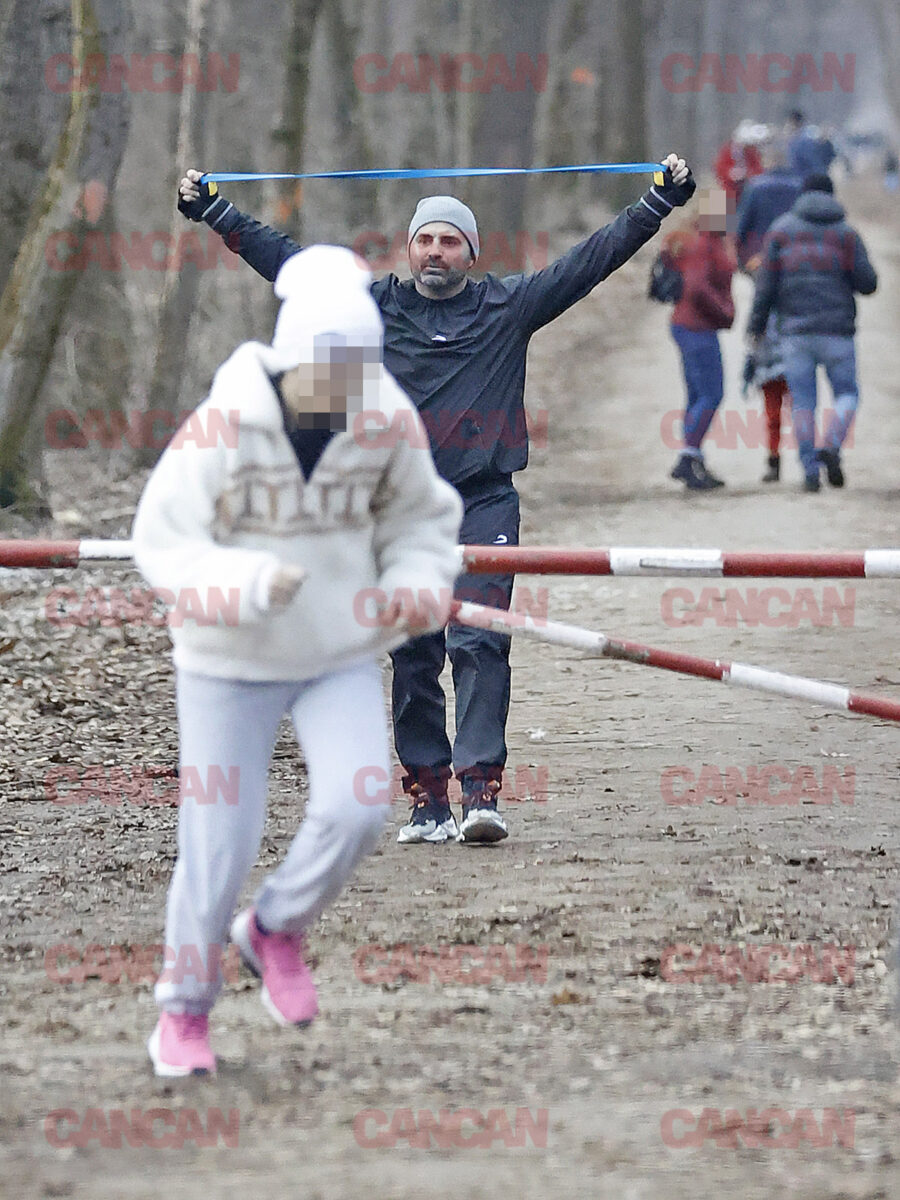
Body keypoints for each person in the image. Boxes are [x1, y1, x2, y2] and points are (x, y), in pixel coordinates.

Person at [176, 153, 696, 845]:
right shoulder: (373, 306)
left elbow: (589, 261)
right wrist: (215, 210)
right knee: (414, 651)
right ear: (410, 247)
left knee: (479, 639)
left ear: (470, 252)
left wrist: (658, 202)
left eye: (450, 240)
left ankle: (482, 792)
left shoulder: (509, 307)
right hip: (399, 508)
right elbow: (290, 264)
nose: (435, 251)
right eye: (426, 238)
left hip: (484, 502)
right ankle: (427, 800)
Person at [132, 245, 463, 1076]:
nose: (343, 389)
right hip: (225, 656)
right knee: (219, 845)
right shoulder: (226, 420)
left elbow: (421, 520)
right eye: (328, 370)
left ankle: (276, 925)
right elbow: (161, 540)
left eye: (358, 368)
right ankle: (183, 1014)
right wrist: (239, 580)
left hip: (336, 649)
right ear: (289, 361)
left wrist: (415, 582)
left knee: (359, 805)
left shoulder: (384, 412)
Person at [746, 174, 878, 491]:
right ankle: (831, 447)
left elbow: (766, 287)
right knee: (848, 395)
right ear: (832, 196)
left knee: (804, 403)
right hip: (838, 332)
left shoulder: (781, 230)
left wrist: (756, 326)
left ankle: (809, 473)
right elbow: (868, 283)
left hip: (795, 333)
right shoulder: (847, 234)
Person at [735, 145, 804, 481]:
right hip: (797, 283)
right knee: (801, 389)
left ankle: (773, 456)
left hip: (761, 268)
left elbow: (741, 229)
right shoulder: (800, 188)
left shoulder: (755, 187)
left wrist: (744, 265)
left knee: (771, 387)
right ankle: (808, 458)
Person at [663, 187, 737, 490]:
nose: (730, 217)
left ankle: (694, 459)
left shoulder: (705, 238)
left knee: (697, 395)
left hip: (691, 325)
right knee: (711, 393)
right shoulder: (704, 243)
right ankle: (688, 455)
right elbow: (696, 286)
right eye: (725, 212)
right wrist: (724, 312)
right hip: (697, 327)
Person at [714, 120, 765, 206]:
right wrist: (731, 174)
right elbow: (719, 168)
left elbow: (759, 169)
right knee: (716, 204)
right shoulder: (727, 151)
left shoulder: (752, 152)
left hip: (747, 190)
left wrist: (747, 174)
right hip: (728, 188)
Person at [785, 110, 836, 179]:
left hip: (806, 178)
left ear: (793, 122)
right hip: (818, 176)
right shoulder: (811, 136)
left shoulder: (800, 141)